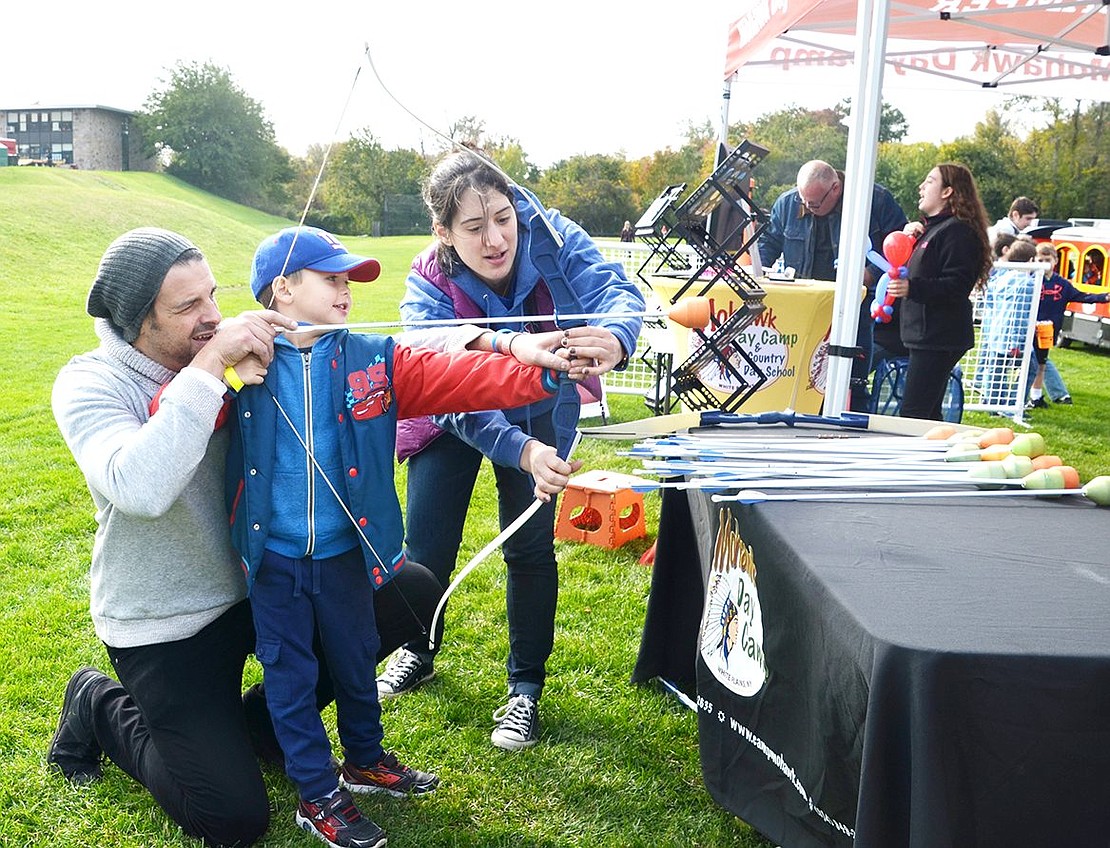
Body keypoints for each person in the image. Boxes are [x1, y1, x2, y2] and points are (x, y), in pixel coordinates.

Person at [227, 225, 576, 847]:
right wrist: (218, 359)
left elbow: (455, 376)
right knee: (291, 674)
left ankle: (364, 759)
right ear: (281, 289)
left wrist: (538, 371)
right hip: (273, 561)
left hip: (345, 553)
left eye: (349, 282)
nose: (346, 292)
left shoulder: (371, 356)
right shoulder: (240, 365)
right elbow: (171, 406)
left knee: (357, 657)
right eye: (331, 280)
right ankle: (316, 793)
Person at [380, 149, 645, 751]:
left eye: (502, 217)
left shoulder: (551, 232)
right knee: (425, 552)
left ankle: (524, 687)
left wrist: (618, 336)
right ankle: (416, 648)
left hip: (542, 416)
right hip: (452, 424)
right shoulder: (429, 278)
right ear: (443, 232)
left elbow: (614, 290)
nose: (496, 239)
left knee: (528, 550)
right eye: (474, 229)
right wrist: (517, 447)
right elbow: (439, 378)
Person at [758, 159, 907, 411]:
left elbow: (900, 244)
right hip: (805, 305)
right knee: (803, 371)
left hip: (854, 304)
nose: (807, 207)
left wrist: (870, 274)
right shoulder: (787, 203)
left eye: (814, 203)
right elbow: (768, 243)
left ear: (836, 188)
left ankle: (849, 420)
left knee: (851, 374)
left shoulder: (874, 200)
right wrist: (757, 270)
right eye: (803, 200)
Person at [886, 163, 992, 420]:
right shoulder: (936, 229)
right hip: (925, 334)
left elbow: (957, 284)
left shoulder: (958, 231)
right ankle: (940, 457)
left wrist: (913, 288)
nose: (921, 186)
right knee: (927, 412)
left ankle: (914, 459)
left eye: (930, 181)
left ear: (947, 192)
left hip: (938, 335)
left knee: (913, 413)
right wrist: (911, 238)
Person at [1026, 241, 1110, 409]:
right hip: (1028, 329)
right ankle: (1017, 397)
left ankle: (1036, 397)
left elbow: (1083, 296)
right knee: (1027, 364)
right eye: (1040, 260)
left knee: (1041, 364)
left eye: (1047, 260)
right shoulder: (1030, 281)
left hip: (1048, 330)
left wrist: (1104, 297)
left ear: (1055, 260)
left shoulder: (1062, 284)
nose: (1043, 264)